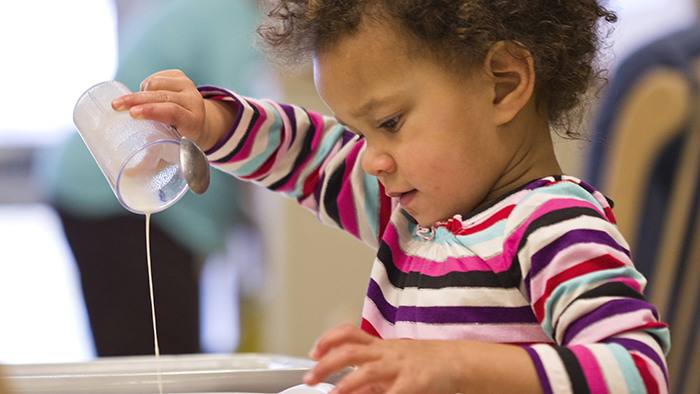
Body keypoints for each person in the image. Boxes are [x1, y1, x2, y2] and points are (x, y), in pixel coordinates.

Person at [110, 0, 671, 392]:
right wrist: (214, 123)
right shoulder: (409, 208)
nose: (372, 158)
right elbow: (310, 157)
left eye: (391, 122)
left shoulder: (555, 226)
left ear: (502, 82)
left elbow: (635, 372)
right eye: (361, 134)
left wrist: (453, 366)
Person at [37, 0, 269, 356]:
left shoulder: (194, 10)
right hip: (118, 191)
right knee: (158, 356)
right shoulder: (232, 18)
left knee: (147, 353)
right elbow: (254, 129)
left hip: (108, 187)